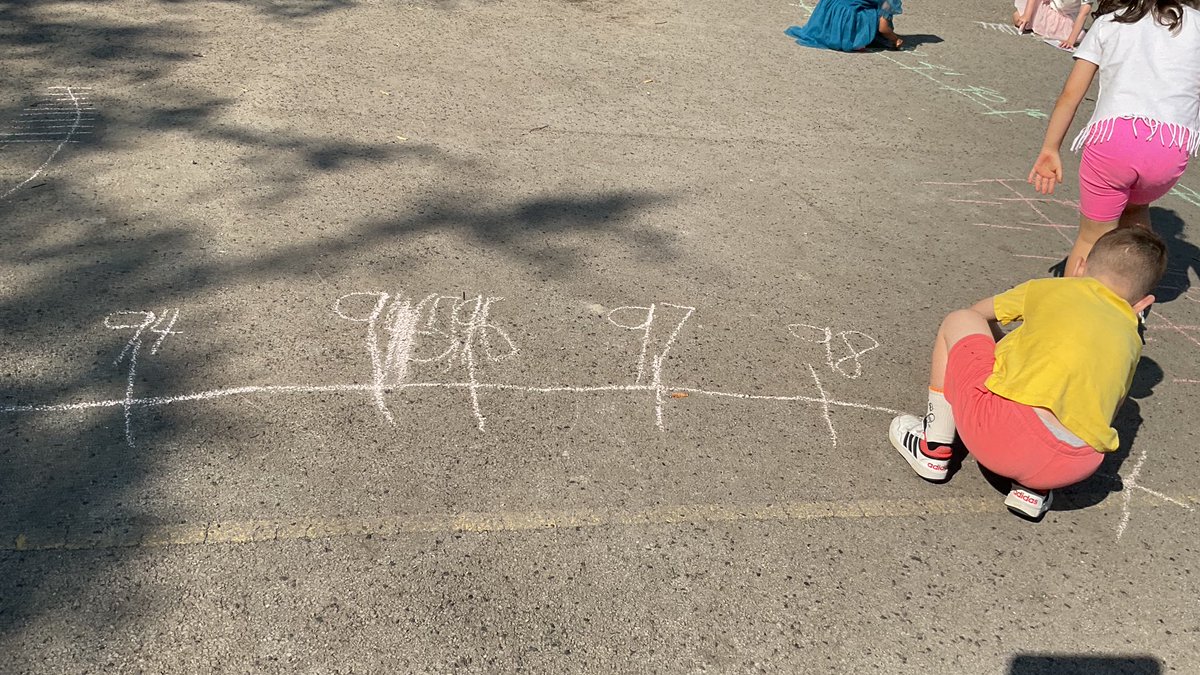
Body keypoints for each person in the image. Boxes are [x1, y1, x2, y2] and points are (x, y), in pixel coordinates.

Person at [888, 228, 1167, 519]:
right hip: (1073, 465)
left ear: (1080, 266)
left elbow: (977, 314)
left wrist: (1002, 350)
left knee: (959, 320)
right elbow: (1110, 407)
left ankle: (933, 448)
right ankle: (1032, 490)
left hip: (1002, 435)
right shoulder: (1132, 339)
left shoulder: (1051, 289)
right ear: (1143, 304)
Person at [1028, 0, 1200, 276]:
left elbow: (1071, 96)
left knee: (1090, 238)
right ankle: (1129, 299)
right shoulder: (1196, 25)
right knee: (1137, 208)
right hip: (1170, 146)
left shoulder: (1110, 23)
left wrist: (1051, 148)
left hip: (1113, 139)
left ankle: (1072, 308)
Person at [785, 0, 904, 52]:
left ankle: (831, 30)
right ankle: (854, 36)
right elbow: (883, 28)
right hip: (846, 17)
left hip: (827, 10)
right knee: (875, 12)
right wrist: (895, 39)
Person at [1013, 0, 1091, 48]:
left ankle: (1037, 25)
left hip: (1067, 17)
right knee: (1018, 18)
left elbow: (1083, 13)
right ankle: (1034, 23)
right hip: (1049, 7)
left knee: (1076, 36)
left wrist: (1070, 41)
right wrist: (1027, 14)